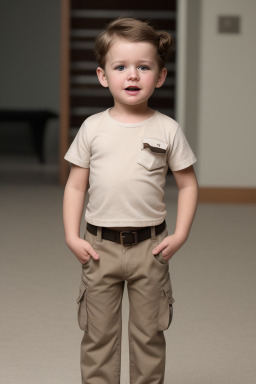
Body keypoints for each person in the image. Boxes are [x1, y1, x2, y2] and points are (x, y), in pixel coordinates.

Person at [63, 17, 198, 384]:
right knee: (98, 335)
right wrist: (72, 236)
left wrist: (181, 234)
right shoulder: (92, 128)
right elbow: (76, 185)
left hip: (150, 249)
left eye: (144, 67)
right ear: (103, 76)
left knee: (149, 335)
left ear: (161, 76)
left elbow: (187, 185)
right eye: (121, 67)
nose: (133, 75)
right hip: (98, 247)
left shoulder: (167, 129)